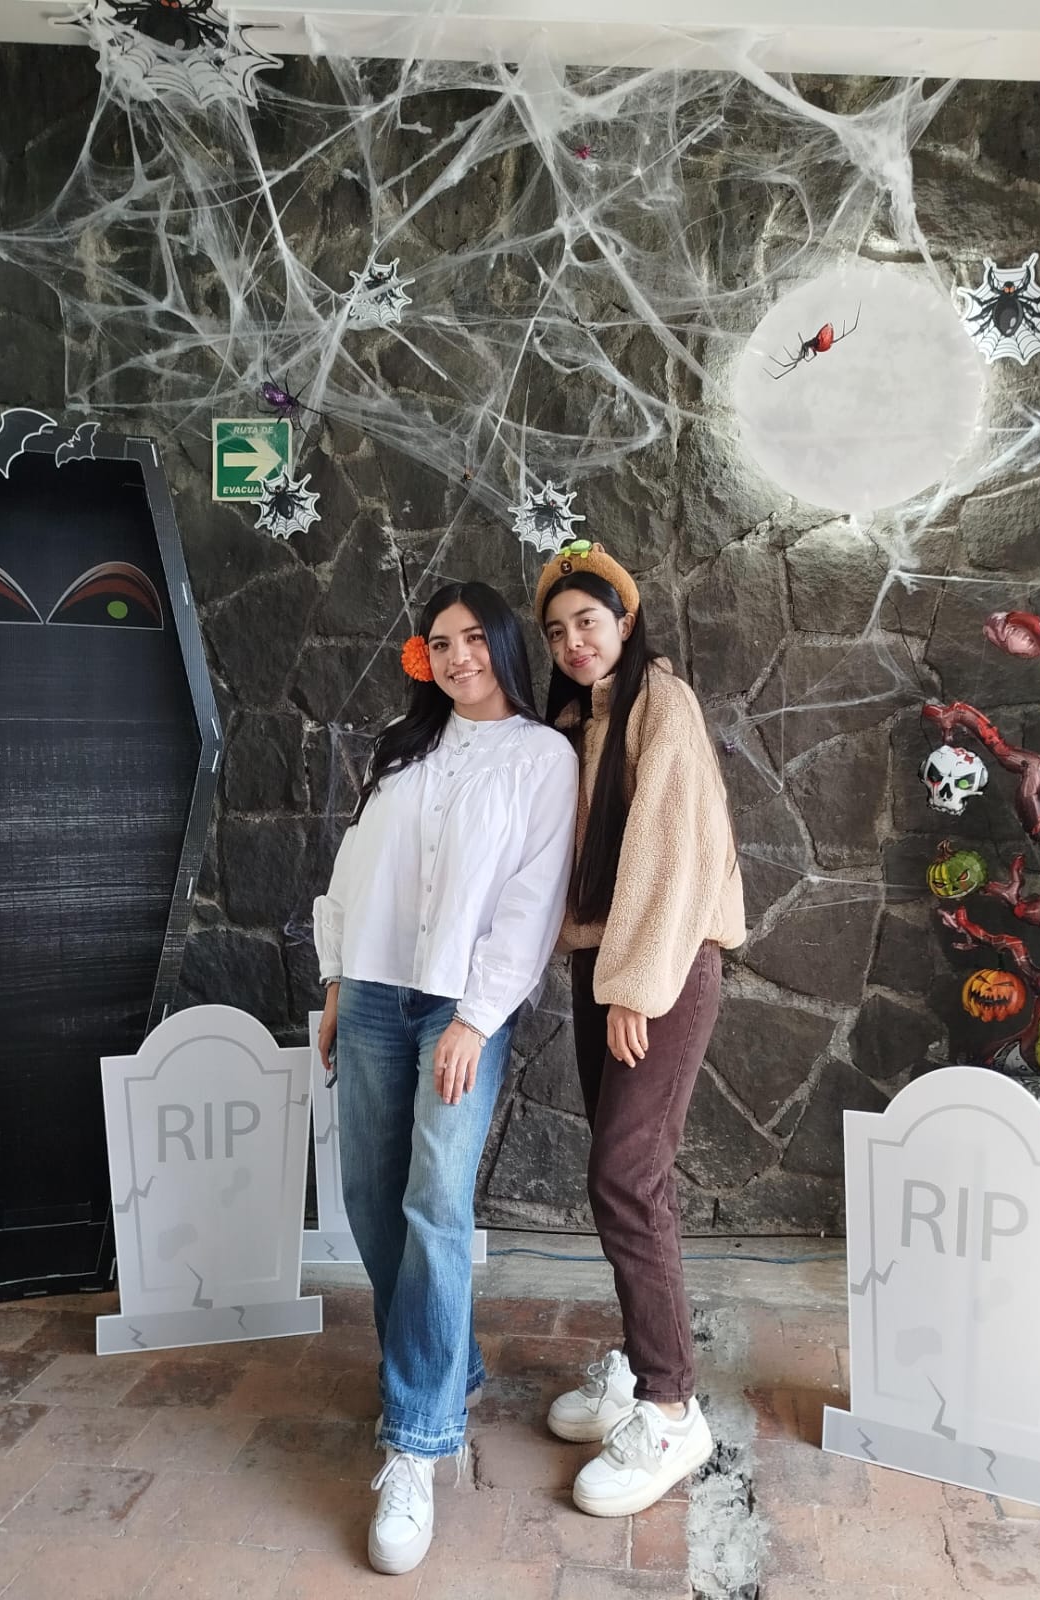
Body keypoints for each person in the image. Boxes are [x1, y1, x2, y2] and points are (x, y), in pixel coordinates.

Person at [313, 580, 577, 1576]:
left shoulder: (541, 757)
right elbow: (352, 868)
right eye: (440, 641)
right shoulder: (402, 742)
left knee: (434, 1203)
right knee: (368, 1198)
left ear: (502, 645)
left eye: (474, 638)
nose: (459, 655)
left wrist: (475, 1016)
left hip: (457, 1007)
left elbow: (531, 899)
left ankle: (417, 1440)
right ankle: (445, 1365)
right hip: (371, 991)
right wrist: (335, 980)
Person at [534, 540, 746, 1518]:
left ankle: (668, 1408)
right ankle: (636, 1365)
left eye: (587, 621)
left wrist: (633, 987)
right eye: (556, 631)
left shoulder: (661, 698)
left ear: (624, 619)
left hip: (657, 969)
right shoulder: (581, 719)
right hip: (606, 966)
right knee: (622, 1176)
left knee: (625, 1175)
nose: (573, 642)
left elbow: (675, 850)